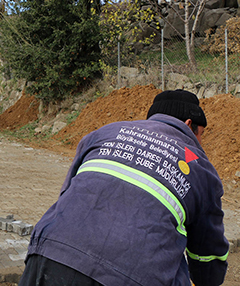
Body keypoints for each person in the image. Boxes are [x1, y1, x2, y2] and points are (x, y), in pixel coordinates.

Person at [19, 89, 229, 286]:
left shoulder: (105, 132)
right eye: (200, 134)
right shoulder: (201, 168)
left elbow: (66, 195)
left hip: (49, 253)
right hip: (132, 276)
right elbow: (207, 253)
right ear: (189, 123)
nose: (200, 142)